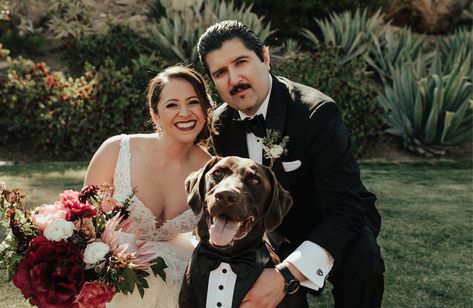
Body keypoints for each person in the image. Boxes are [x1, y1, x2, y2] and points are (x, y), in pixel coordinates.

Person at [197, 20, 384, 308]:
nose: (234, 79)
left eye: (241, 62)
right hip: (265, 231)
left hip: (330, 222)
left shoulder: (316, 113)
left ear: (266, 58)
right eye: (220, 72)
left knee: (364, 260)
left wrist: (285, 275)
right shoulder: (221, 124)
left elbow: (346, 208)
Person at [84, 65, 213, 307]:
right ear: (155, 114)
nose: (185, 113)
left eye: (193, 102)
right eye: (172, 105)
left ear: (205, 108)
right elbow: (82, 224)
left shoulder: (211, 169)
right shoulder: (117, 151)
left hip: (178, 276)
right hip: (113, 280)